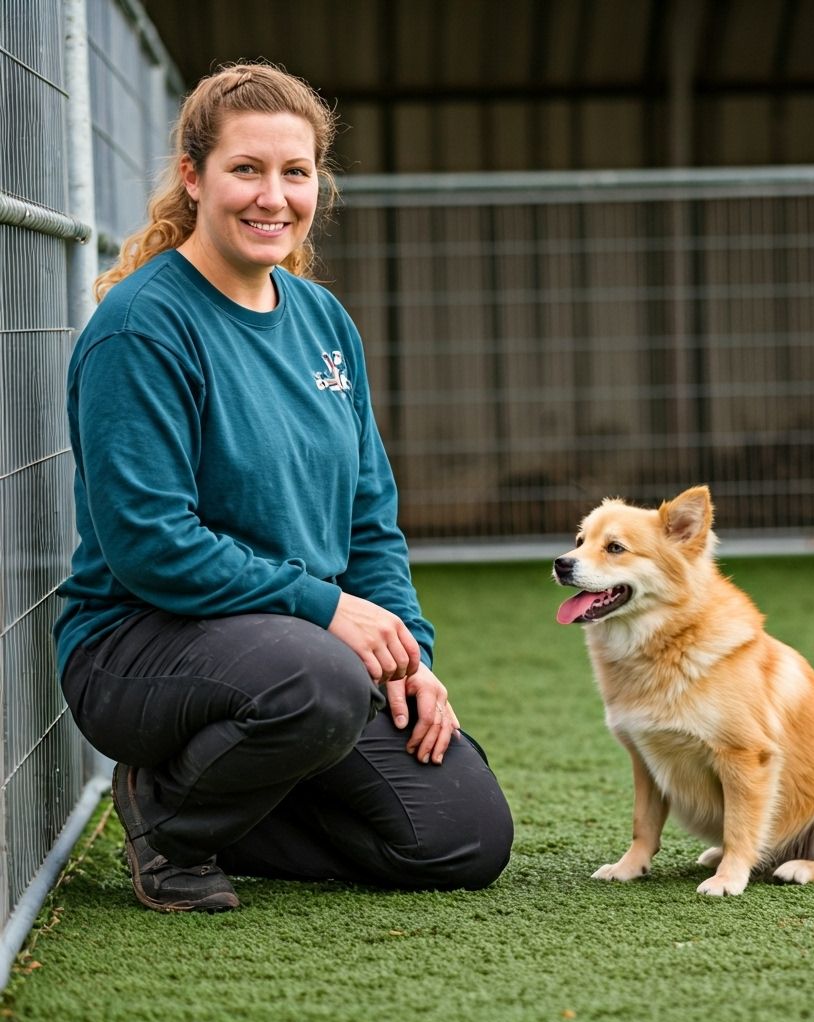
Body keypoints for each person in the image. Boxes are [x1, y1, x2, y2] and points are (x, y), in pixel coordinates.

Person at [54, 61, 513, 913]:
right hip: (141, 645)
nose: (273, 197)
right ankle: (168, 817)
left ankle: (243, 784)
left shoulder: (322, 320)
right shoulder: (141, 330)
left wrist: (408, 652)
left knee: (463, 836)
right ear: (193, 178)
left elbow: (370, 523)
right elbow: (151, 544)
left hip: (293, 653)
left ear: (316, 183)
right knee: (319, 682)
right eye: (246, 169)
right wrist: (328, 611)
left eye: (294, 172)